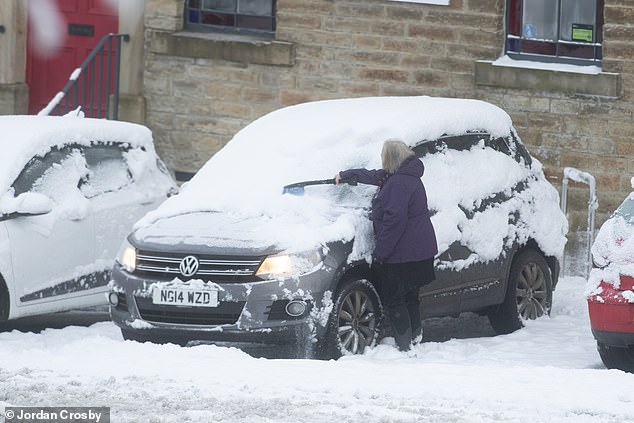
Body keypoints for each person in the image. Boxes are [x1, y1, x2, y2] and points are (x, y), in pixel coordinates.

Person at [336, 139, 438, 351]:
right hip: (420, 251)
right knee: (411, 297)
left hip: (404, 254)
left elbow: (394, 222)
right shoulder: (405, 175)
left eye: (383, 156)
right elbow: (374, 175)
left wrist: (381, 253)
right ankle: (415, 339)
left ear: (390, 159)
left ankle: (404, 345)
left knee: (395, 299)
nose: (381, 160)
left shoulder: (398, 184)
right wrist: (346, 175)